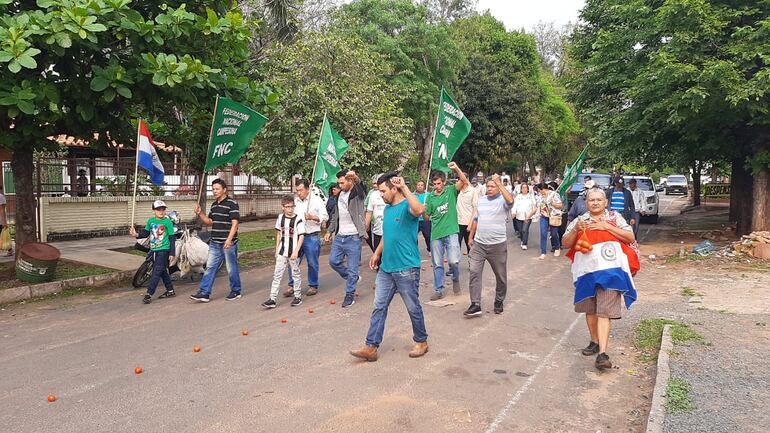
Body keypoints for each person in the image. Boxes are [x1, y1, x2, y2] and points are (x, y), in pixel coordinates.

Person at [350, 173, 428, 362]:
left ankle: (422, 341)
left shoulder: (407, 206)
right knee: (379, 306)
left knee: (412, 307)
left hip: (406, 267)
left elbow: (419, 211)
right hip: (387, 268)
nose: (381, 195)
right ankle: (371, 346)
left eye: (383, 191)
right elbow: (387, 234)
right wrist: (377, 253)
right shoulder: (387, 210)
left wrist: (404, 187)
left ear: (394, 189)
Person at [562, 188, 638, 370]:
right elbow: (565, 242)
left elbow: (630, 236)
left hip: (611, 272)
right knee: (590, 309)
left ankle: (603, 354)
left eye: (599, 200)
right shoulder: (580, 221)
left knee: (604, 311)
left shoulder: (614, 218)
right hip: (586, 272)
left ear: (605, 202)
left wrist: (607, 227)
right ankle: (594, 341)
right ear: (586, 203)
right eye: (591, 200)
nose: (595, 203)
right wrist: (575, 232)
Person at [464, 174, 514, 317]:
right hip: (479, 244)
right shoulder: (481, 200)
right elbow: (476, 219)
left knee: (500, 276)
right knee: (474, 271)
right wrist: (471, 236)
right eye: (489, 186)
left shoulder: (503, 201)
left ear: (498, 188)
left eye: (493, 186)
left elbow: (510, 200)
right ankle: (475, 304)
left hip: (497, 245)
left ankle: (499, 300)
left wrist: (499, 183)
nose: (490, 189)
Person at [190, 179, 242, 302]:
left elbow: (235, 224)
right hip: (215, 242)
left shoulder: (232, 204)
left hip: (228, 243)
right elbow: (210, 222)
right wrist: (200, 213)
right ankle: (204, 292)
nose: (214, 191)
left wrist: (229, 240)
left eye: (217, 189)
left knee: (231, 268)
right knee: (210, 267)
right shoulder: (214, 205)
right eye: (213, 189)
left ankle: (236, 291)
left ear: (224, 190)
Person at [424, 162, 469, 300]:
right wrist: (423, 210)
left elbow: (463, 181)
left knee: (454, 261)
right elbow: (427, 217)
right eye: (434, 184)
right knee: (437, 263)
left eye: (438, 183)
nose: (436, 186)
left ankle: (455, 279)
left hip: (451, 232)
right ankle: (438, 289)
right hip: (436, 234)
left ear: (443, 182)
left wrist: (456, 168)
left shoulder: (451, 191)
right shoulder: (430, 197)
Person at [324, 170, 367, 308]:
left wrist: (356, 178)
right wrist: (330, 231)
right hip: (340, 236)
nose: (340, 185)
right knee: (333, 261)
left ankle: (350, 294)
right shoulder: (338, 196)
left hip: (354, 237)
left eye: (343, 182)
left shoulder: (357, 195)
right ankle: (352, 278)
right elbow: (335, 216)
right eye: (339, 183)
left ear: (350, 181)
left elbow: (362, 187)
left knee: (353, 267)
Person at [285, 179, 327, 297]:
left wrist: (313, 217)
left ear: (307, 189)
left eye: (301, 190)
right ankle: (292, 285)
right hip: (297, 236)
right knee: (293, 261)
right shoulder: (295, 201)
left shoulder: (316, 200)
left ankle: (313, 285)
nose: (299, 193)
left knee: (312, 262)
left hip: (311, 236)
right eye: (297, 190)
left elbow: (325, 216)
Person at [262, 195, 306, 308]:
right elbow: (279, 233)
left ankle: (297, 296)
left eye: (292, 207)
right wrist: (277, 249)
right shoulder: (280, 218)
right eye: (287, 207)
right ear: (283, 207)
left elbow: (301, 236)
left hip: (293, 252)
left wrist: (296, 251)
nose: (290, 209)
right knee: (277, 275)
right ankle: (272, 298)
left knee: (295, 274)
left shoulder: (298, 219)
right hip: (282, 251)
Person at [129, 200, 176, 304]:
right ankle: (170, 290)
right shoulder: (151, 221)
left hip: (163, 250)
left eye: (163, 209)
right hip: (153, 250)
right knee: (163, 271)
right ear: (153, 211)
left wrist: (172, 253)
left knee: (156, 272)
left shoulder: (167, 222)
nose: (161, 211)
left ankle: (149, 294)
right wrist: (136, 234)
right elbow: (145, 233)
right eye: (159, 209)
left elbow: (172, 238)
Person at [537, 182, 564, 259]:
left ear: (542, 189)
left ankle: (557, 247)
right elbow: (538, 206)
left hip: (553, 216)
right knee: (543, 233)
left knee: (554, 233)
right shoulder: (540, 196)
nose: (539, 192)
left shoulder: (554, 194)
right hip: (544, 216)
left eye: (539, 190)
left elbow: (560, 205)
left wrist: (552, 203)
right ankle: (543, 252)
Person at [456, 174, 479, 255]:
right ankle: (455, 264)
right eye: (458, 179)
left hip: (468, 223)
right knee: (455, 246)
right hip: (457, 223)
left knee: (469, 244)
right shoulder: (457, 191)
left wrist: (470, 224)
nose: (460, 181)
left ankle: (472, 262)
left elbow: (475, 209)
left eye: (462, 179)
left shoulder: (472, 191)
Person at [511, 183, 537, 250]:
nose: (524, 189)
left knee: (525, 230)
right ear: (521, 189)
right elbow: (514, 206)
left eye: (525, 188)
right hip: (519, 216)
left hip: (528, 216)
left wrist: (531, 214)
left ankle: (524, 244)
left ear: (528, 189)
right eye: (523, 188)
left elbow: (534, 206)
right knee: (520, 230)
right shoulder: (518, 197)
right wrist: (513, 213)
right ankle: (523, 240)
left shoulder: (531, 197)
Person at [365, 177, 386, 252]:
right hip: (377, 230)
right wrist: (366, 226)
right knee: (378, 254)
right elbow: (369, 211)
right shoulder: (372, 194)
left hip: (390, 232)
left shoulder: (394, 193)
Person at [414, 181, 431, 253]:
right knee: (413, 237)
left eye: (421, 185)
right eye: (418, 185)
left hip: (425, 219)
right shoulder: (412, 195)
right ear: (416, 186)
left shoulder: (428, 195)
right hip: (414, 219)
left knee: (428, 236)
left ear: (424, 187)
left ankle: (430, 249)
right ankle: (414, 250)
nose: (420, 186)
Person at [0, 184, 13, 256]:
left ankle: (10, 250)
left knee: (4, 236)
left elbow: (2, 210)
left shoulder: (1, 197)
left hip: (0, 220)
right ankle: (10, 250)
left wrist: (4, 222)